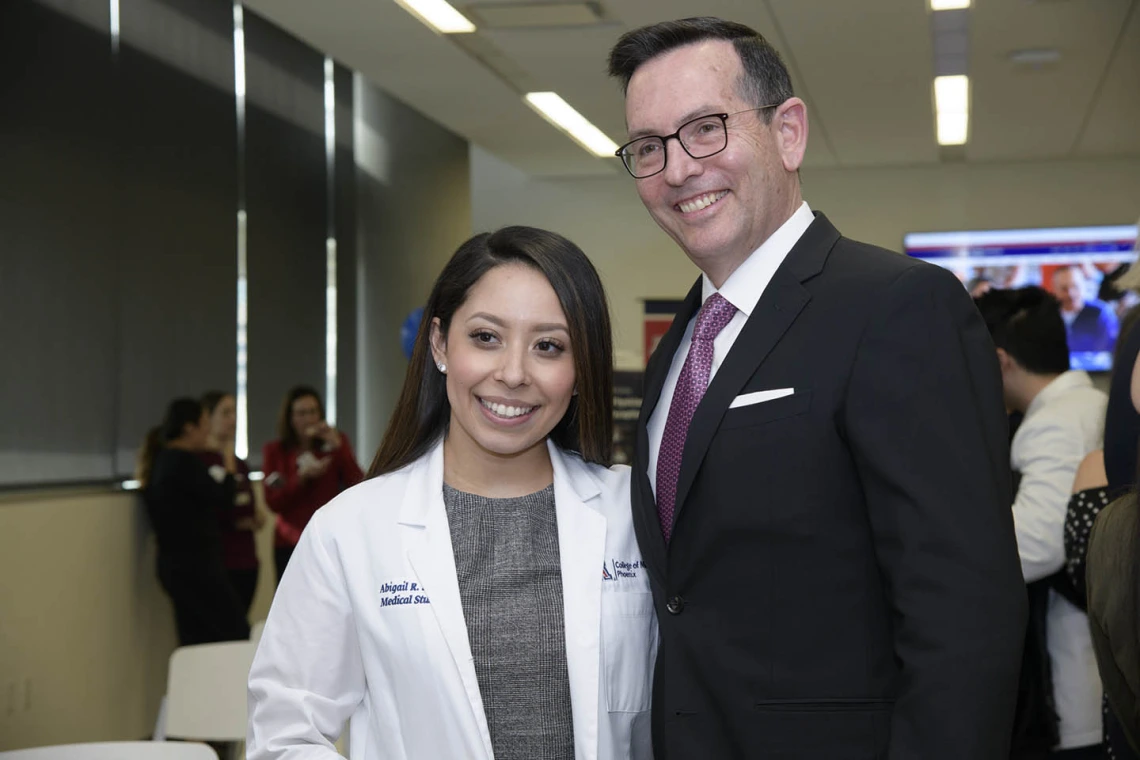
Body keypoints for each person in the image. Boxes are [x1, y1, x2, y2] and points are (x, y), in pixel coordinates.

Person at [606, 17, 1027, 759]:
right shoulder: (681, 343)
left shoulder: (898, 305)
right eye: (648, 148)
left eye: (706, 129)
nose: (677, 169)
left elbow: (964, 617)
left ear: (789, 132)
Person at [247, 227, 656, 760]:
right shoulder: (350, 530)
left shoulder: (634, 514)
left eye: (549, 346)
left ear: (580, 372)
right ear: (439, 344)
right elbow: (283, 735)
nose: (512, 373)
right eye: (486, 337)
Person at [975, 287, 1107, 758]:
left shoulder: (1054, 422)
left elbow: (1036, 541)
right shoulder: (1086, 405)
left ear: (1000, 359)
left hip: (1073, 680)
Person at [137, 398, 250, 645]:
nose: (208, 430)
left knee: (196, 636)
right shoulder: (182, 461)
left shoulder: (163, 461)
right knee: (235, 631)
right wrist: (229, 463)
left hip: (176, 565)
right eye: (204, 423)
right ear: (189, 428)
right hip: (195, 566)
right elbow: (223, 497)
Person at [262, 385, 363, 583]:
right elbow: (273, 502)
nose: (308, 419)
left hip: (326, 538)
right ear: (290, 418)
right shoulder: (275, 451)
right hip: (289, 540)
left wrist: (339, 448)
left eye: (313, 412)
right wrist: (300, 479)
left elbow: (357, 483)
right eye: (301, 413)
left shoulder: (336, 443)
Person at [199, 390, 264, 616]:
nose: (233, 420)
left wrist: (254, 518)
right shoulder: (200, 462)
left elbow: (249, 508)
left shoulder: (240, 464)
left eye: (234, 413)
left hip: (247, 560)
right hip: (218, 562)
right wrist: (236, 520)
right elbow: (215, 511)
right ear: (207, 418)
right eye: (225, 413)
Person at [1051, 265, 1119, 356]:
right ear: (1054, 289)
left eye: (1075, 286)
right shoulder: (1044, 315)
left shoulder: (1102, 313)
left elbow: (1111, 349)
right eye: (1064, 289)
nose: (1070, 293)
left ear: (1084, 286)